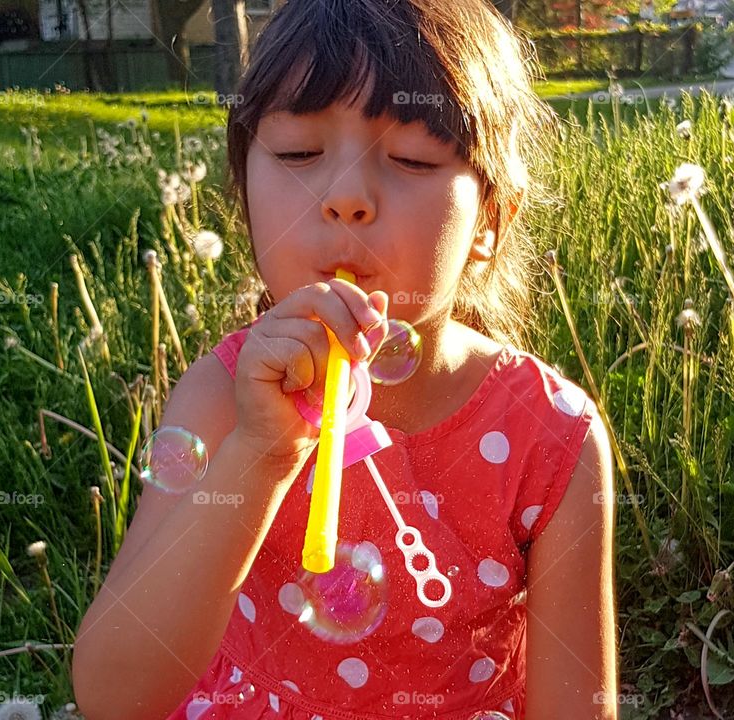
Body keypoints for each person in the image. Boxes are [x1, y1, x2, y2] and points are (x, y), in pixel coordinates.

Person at [72, 0, 618, 717]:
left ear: (491, 219)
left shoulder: (550, 434)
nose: (345, 198)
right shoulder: (222, 396)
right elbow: (114, 696)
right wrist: (261, 453)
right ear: (244, 198)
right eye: (299, 154)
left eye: (413, 159)